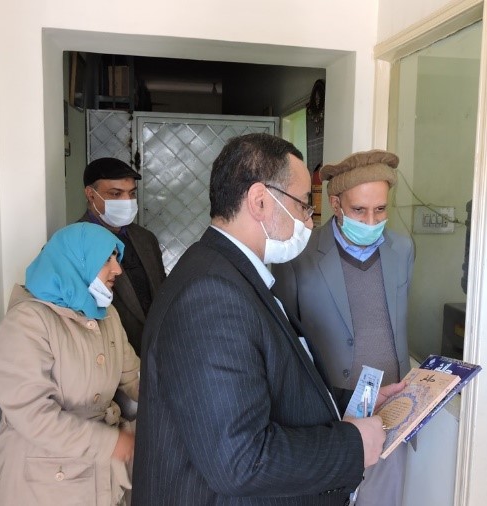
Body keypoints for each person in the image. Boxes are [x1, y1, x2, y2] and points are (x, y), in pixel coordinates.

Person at [132, 133, 403, 505]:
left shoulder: (231, 273)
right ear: (260, 201)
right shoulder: (210, 293)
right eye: (304, 205)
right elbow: (241, 460)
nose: (309, 220)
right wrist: (353, 446)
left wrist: (357, 402)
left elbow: (272, 385)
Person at [272, 149, 415, 506]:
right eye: (359, 210)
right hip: (329, 411)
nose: (371, 221)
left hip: (392, 405)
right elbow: (286, 339)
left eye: (380, 210)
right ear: (336, 204)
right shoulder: (299, 254)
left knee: (385, 498)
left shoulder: (402, 249)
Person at [0, 222, 140, 506]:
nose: (117, 269)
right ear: (76, 262)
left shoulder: (107, 317)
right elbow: (32, 415)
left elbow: (134, 376)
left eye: (116, 258)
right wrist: (110, 443)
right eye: (106, 259)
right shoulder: (27, 323)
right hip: (41, 484)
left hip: (96, 478)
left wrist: (179, 403)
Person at [80, 157, 166, 356]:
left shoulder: (145, 239)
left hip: (154, 352)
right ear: (91, 195)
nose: (126, 201)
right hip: (107, 356)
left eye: (132, 193)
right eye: (115, 194)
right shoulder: (75, 242)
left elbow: (159, 290)